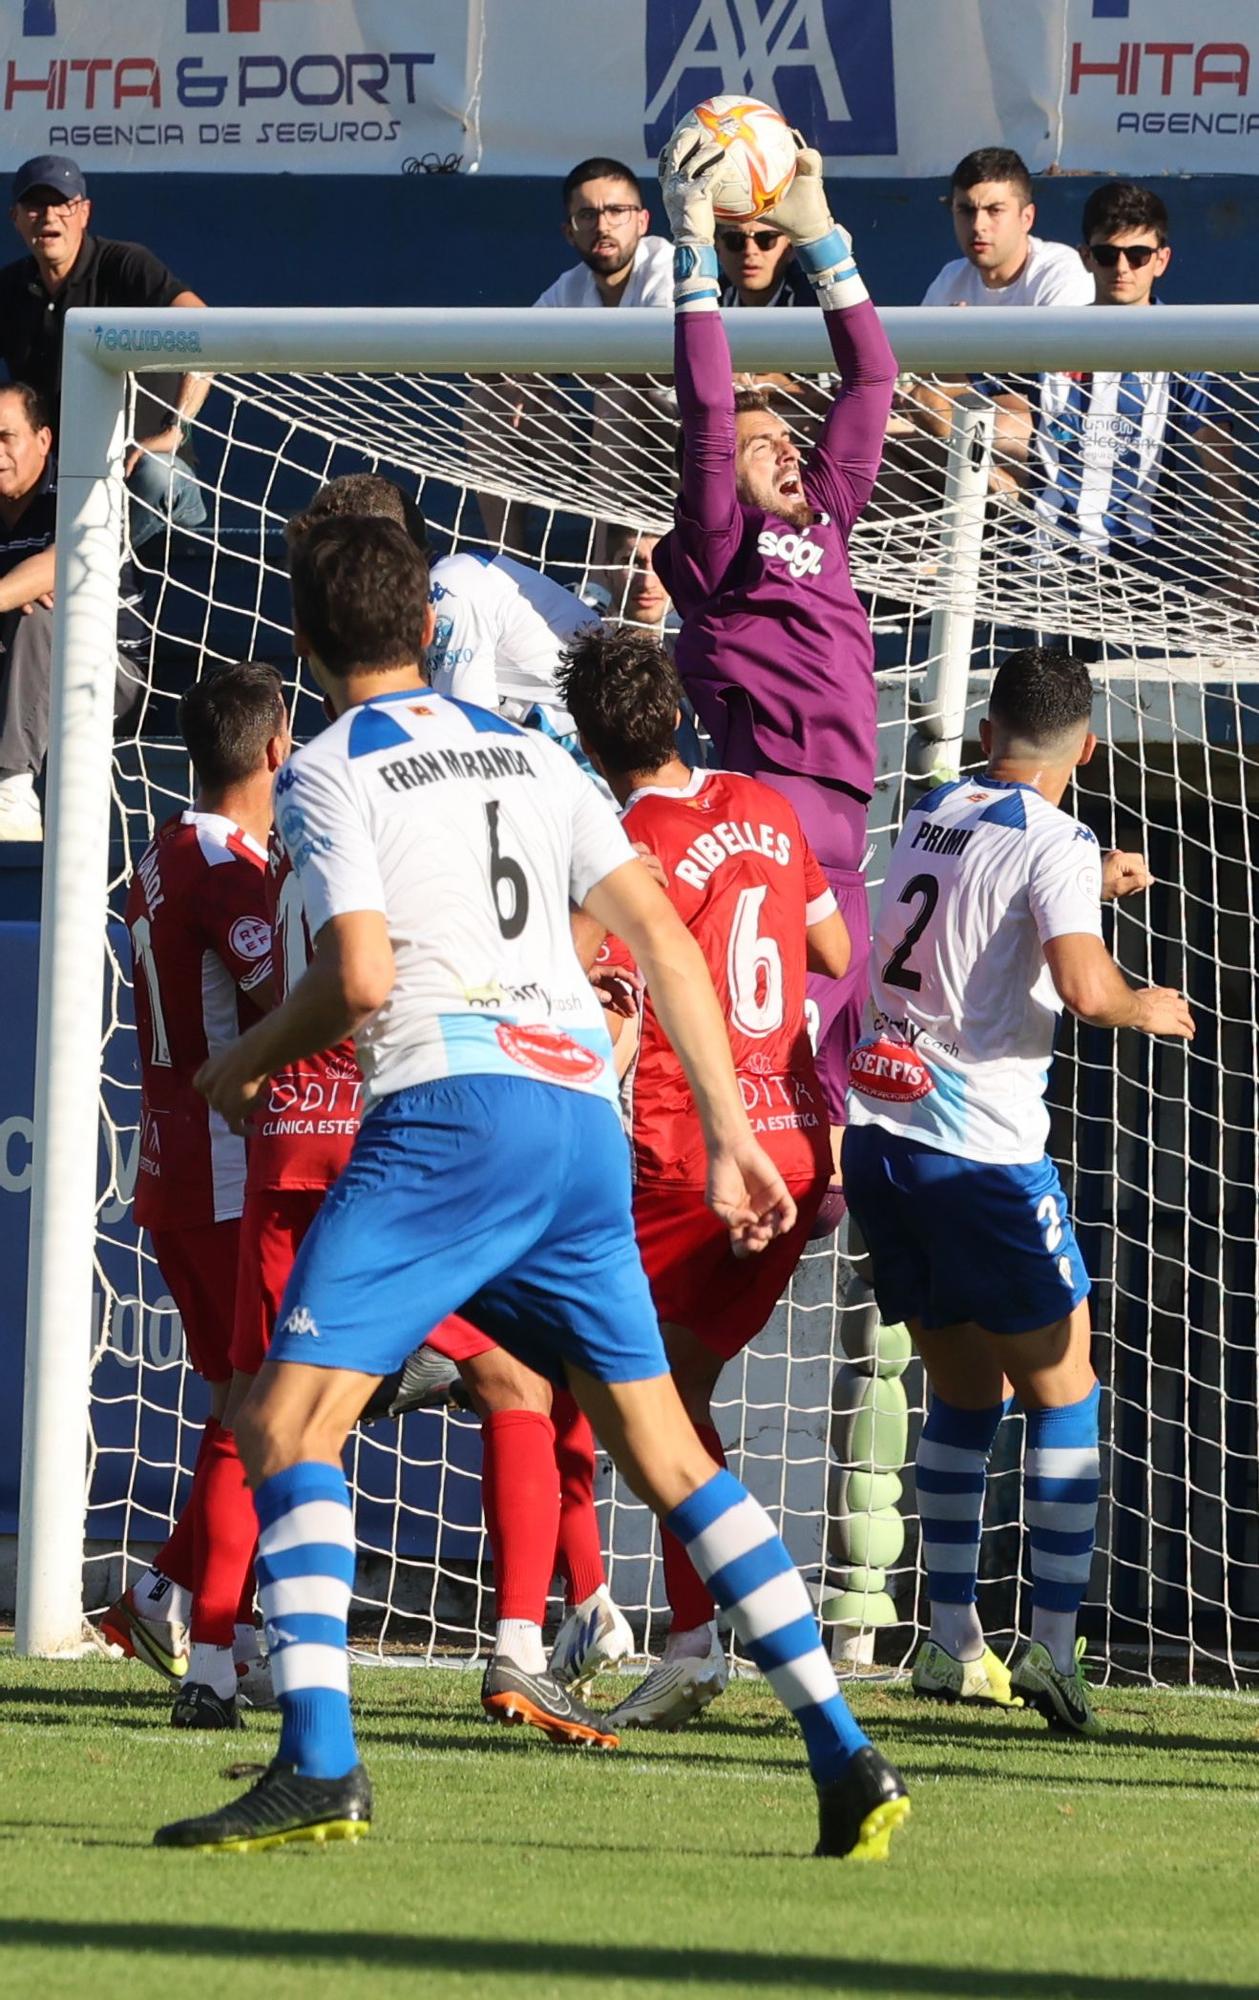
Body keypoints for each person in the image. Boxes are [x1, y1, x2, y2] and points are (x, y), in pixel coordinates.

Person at [152, 513, 909, 1860]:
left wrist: (248, 1062)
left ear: (310, 642)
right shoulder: (536, 757)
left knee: (281, 1422)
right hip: (574, 1123)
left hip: (449, 1114)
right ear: (428, 632)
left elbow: (363, 978)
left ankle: (319, 1762)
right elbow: (661, 938)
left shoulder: (330, 770)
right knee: (666, 1450)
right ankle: (842, 1750)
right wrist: (733, 1135)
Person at [842, 646, 1194, 1732]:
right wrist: (1146, 1003)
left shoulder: (937, 803)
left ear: (989, 728)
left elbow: (987, 876)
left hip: (882, 1139)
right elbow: (1084, 989)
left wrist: (1089, 877)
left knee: (962, 1389)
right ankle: (1050, 1643)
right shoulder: (1057, 835)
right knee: (1065, 1384)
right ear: (1084, 749)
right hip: (980, 1154)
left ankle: (947, 1638)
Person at [558, 624, 848, 1728]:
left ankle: (685, 1637)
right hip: (794, 1144)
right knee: (675, 1391)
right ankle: (680, 1630)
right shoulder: (769, 807)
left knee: (623, 1394)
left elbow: (583, 966)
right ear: (678, 712)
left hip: (690, 1155)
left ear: (588, 744)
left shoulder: (621, 837)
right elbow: (826, 952)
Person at [651, 132, 898, 1219]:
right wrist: (693, 252)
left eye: (789, 433)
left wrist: (819, 238)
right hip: (778, 821)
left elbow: (874, 374)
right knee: (775, 1082)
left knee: (836, 1137)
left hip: (846, 828)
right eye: (762, 443)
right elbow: (706, 413)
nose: (783, 447)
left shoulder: (829, 516)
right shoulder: (718, 550)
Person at [100, 663, 287, 1700]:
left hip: (175, 1166)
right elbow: (286, 996)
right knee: (259, 1410)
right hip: (229, 1170)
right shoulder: (226, 865)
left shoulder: (165, 852)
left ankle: (181, 1598)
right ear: (273, 748)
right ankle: (212, 1642)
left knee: (238, 1409)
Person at [1010, 184, 1249, 599]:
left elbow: (1216, 451)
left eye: (1137, 255)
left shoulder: (1184, 351)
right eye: (1107, 254)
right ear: (1086, 258)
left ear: (1161, 260)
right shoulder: (1042, 340)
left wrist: (1241, 568)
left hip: (1141, 566)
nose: (1122, 267)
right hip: (1037, 561)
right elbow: (983, 414)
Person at [0, 154, 209, 548]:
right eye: (34, 206)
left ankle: (60, 573)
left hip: (146, 478)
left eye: (62, 203)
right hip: (61, 482)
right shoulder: (10, 288)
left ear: (84, 212)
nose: (48, 216)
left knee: (156, 475)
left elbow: (205, 330)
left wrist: (174, 430)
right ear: (15, 216)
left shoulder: (124, 265)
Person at [0, 380, 142, 839]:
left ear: (43, 440)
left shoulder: (82, 490)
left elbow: (63, 562)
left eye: (6, 438)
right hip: (23, 671)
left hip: (107, 673)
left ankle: (13, 790)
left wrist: (19, 591)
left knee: (37, 615)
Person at [921, 149, 1095, 309]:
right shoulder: (949, 280)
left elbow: (1058, 343)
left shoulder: (1060, 272)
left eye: (995, 210)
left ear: (1027, 218)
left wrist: (964, 339)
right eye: (966, 210)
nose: (977, 225)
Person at [535, 158, 673, 312]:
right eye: (588, 215)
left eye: (616, 211)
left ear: (641, 223)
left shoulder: (670, 276)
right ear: (569, 233)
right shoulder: (566, 290)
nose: (602, 227)